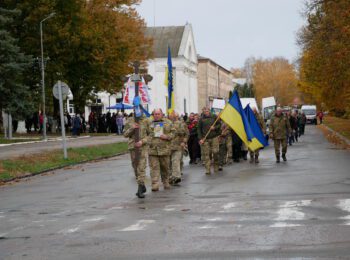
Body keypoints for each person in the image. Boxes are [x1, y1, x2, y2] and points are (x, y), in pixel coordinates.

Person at [146, 109, 175, 191]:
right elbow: (144, 133)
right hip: (153, 149)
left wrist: (167, 136)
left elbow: (174, 133)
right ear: (153, 114)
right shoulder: (149, 123)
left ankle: (165, 181)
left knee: (165, 167)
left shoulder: (168, 122)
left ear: (162, 114)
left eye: (158, 114)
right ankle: (155, 184)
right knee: (154, 168)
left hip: (164, 149)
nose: (157, 115)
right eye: (155, 114)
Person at [123, 114, 149, 198]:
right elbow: (125, 134)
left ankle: (140, 189)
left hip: (143, 147)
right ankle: (141, 185)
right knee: (135, 167)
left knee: (141, 167)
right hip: (133, 147)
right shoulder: (129, 120)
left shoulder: (146, 120)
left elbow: (151, 135)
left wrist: (142, 141)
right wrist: (132, 128)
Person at [198, 107, 221, 175]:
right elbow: (199, 129)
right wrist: (200, 139)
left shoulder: (214, 116)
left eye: (207, 111)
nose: (206, 112)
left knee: (215, 152)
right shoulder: (201, 119)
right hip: (205, 139)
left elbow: (219, 124)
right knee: (207, 154)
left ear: (209, 111)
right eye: (205, 111)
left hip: (214, 137)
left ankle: (216, 165)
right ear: (203, 112)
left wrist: (214, 127)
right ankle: (208, 169)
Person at [169, 112, 188, 185]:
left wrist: (184, 142)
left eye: (175, 116)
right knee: (168, 163)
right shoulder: (166, 123)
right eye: (172, 116)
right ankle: (170, 177)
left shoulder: (181, 124)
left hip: (178, 145)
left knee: (175, 161)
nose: (174, 117)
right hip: (167, 146)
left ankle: (176, 177)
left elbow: (186, 133)